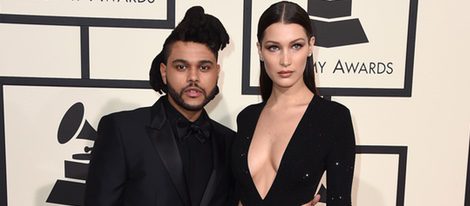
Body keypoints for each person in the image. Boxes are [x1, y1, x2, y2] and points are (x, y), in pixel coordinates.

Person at [85, 6, 236, 206]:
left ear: (217, 72)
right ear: (164, 72)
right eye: (181, 67)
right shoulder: (123, 131)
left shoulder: (230, 142)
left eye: (204, 67)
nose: (193, 77)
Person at [231, 1, 356, 205]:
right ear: (260, 51)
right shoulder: (247, 118)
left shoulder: (333, 118)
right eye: (274, 48)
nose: (285, 60)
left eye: (296, 45)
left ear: (310, 46)